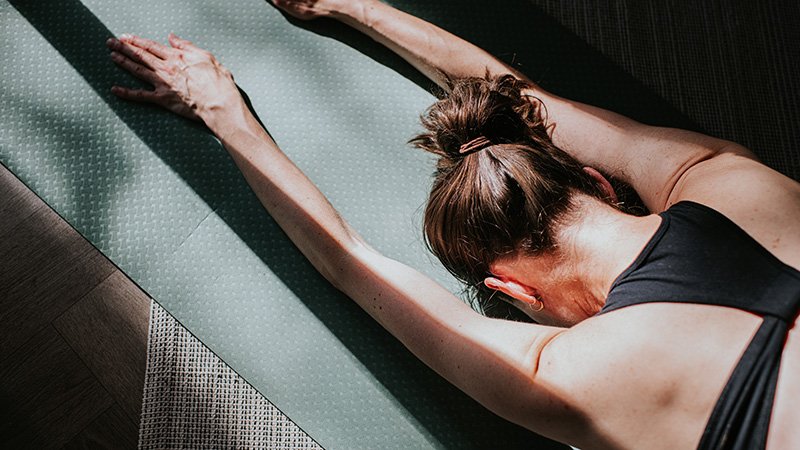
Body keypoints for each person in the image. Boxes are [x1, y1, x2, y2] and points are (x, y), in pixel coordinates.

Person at [105, 0, 800, 448]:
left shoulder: (570, 375)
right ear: (594, 180)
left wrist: (224, 113)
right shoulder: (724, 180)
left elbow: (349, 261)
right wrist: (352, 5)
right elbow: (530, 103)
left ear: (515, 293)